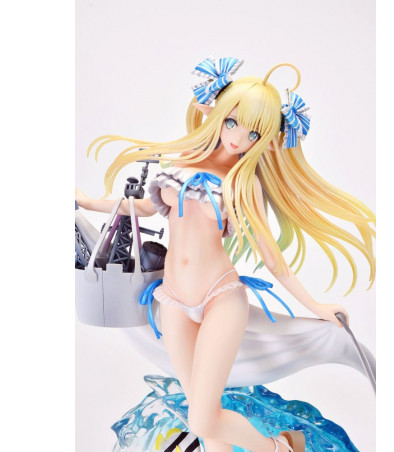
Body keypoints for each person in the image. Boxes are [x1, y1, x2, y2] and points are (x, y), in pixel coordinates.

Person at [76, 56, 375, 452]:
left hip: (220, 297)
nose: (236, 138)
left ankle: (283, 447)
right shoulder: (179, 164)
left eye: (252, 133)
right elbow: (145, 208)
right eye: (232, 122)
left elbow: (271, 256)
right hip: (173, 300)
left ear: (265, 140)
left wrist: (316, 306)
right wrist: (89, 203)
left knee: (204, 417)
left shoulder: (243, 184)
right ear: (215, 113)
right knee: (203, 419)